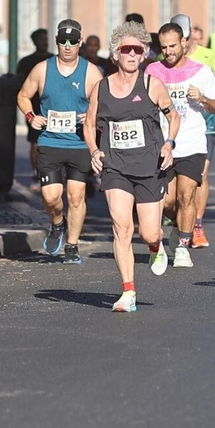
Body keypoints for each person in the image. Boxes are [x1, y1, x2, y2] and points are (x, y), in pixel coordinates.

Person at [85, 20, 177, 312]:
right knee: (121, 226)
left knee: (149, 232)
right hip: (115, 168)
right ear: (116, 54)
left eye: (138, 50)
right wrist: (94, 150)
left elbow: (174, 116)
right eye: (127, 49)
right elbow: (88, 125)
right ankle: (128, 291)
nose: (132, 54)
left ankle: (155, 247)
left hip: (150, 166)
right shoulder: (101, 87)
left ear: (144, 54)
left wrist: (169, 143)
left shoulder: (152, 84)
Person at [18, 19, 101, 263]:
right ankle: (57, 223)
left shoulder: (91, 72)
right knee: (51, 197)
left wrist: (93, 114)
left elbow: (105, 101)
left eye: (72, 42)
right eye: (62, 42)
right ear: (57, 43)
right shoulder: (42, 69)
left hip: (78, 143)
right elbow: (23, 95)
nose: (67, 47)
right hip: (50, 142)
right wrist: (31, 115)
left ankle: (72, 245)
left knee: (76, 196)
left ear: (80, 43)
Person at [146, 21, 215, 268]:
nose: (167, 51)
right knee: (168, 202)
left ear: (184, 43)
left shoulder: (201, 72)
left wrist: (201, 98)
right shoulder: (152, 71)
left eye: (172, 46)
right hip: (162, 145)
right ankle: (178, 225)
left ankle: (182, 246)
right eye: (163, 47)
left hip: (192, 143)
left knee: (186, 195)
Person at [172, 15, 215, 246]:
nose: (183, 41)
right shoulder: (165, 56)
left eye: (186, 35)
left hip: (204, 125)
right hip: (173, 129)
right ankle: (181, 217)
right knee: (174, 190)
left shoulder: (207, 55)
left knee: (200, 179)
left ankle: (197, 226)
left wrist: (214, 81)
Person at [16, 28, 53, 185]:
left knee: (52, 141)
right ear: (34, 42)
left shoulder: (54, 59)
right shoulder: (26, 62)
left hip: (53, 107)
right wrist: (29, 114)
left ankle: (51, 173)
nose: (44, 42)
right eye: (41, 39)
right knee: (35, 141)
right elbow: (20, 88)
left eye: (46, 39)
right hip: (34, 106)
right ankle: (37, 174)